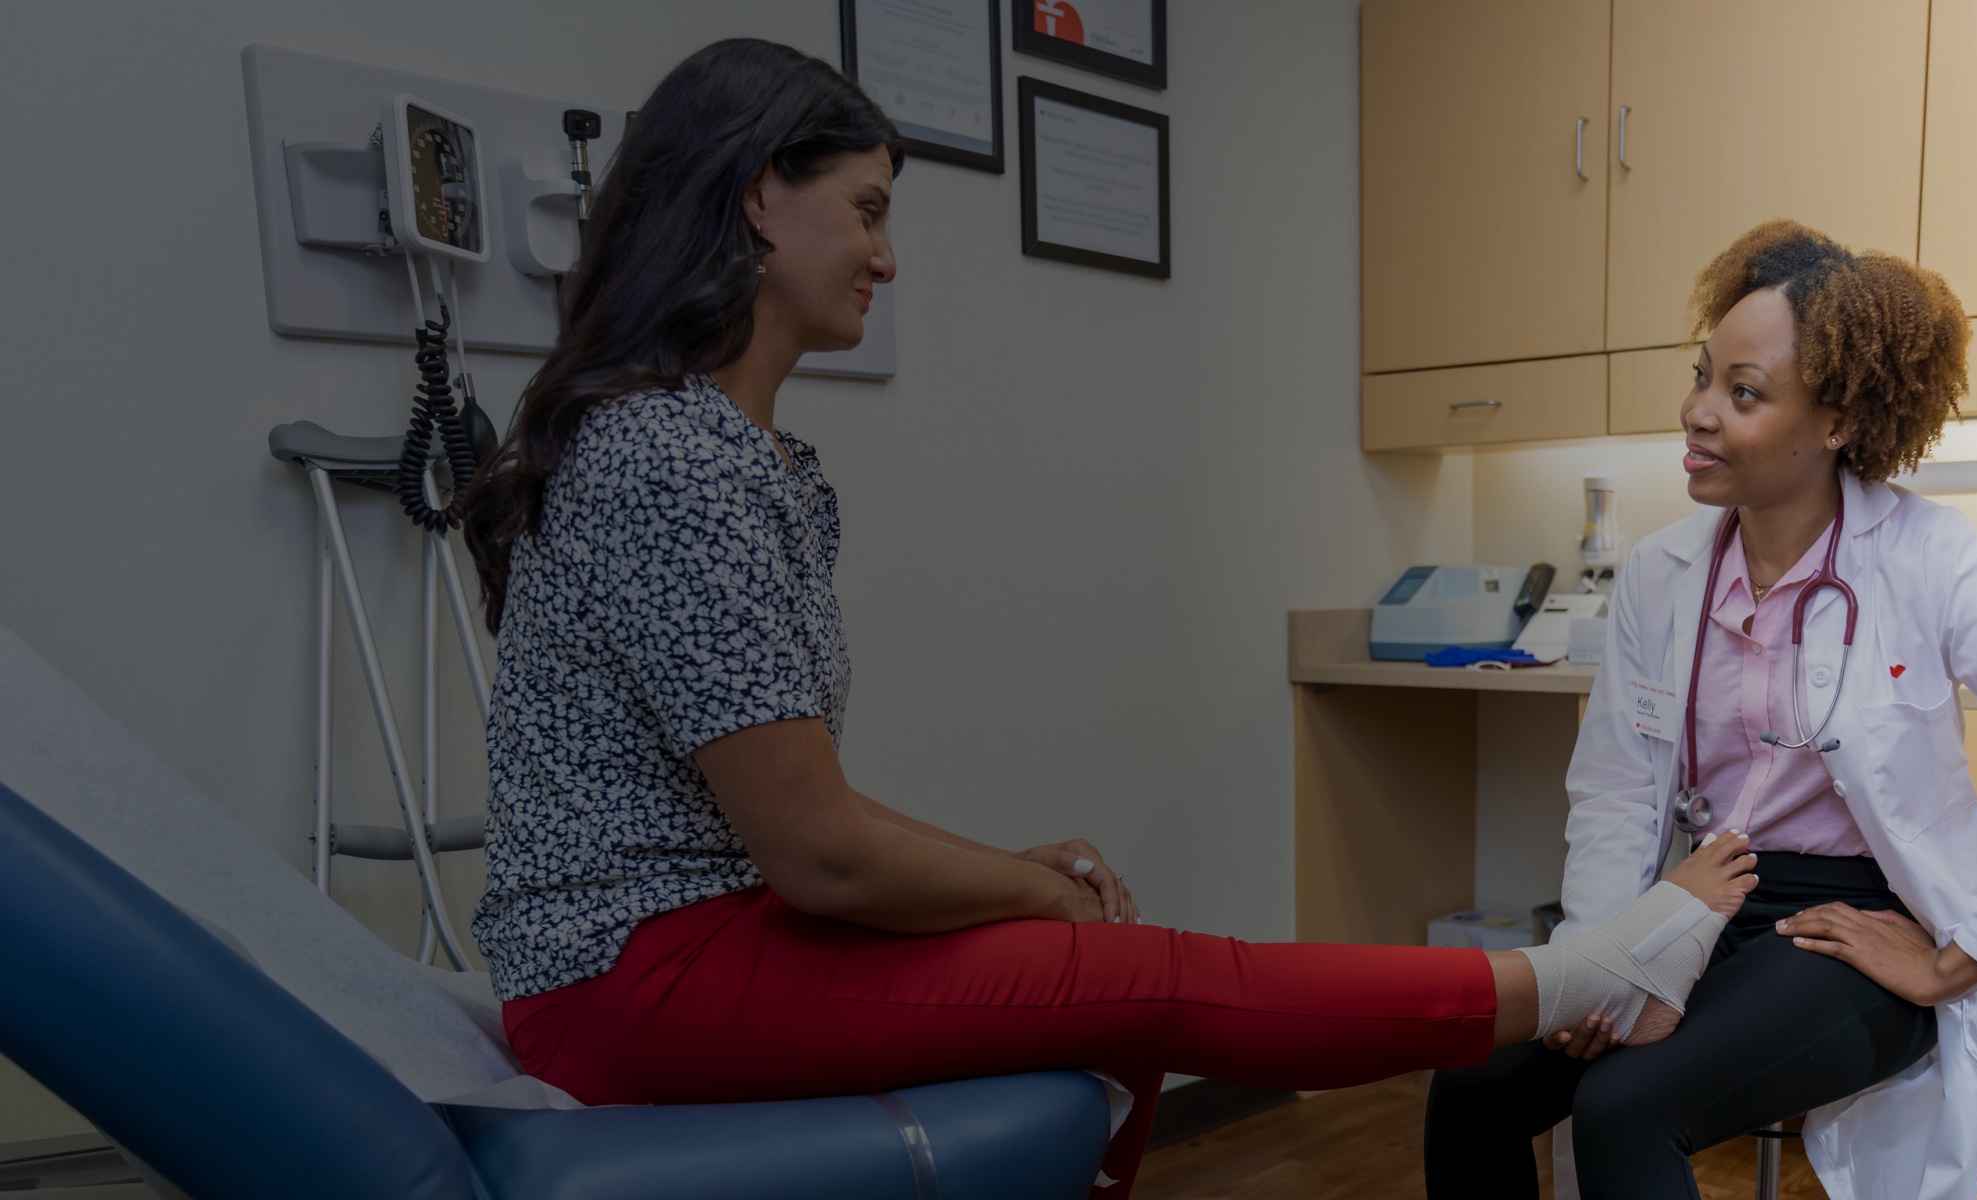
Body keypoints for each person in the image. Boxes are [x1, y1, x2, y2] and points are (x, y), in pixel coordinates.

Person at [457, 38, 1761, 1196]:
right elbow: (820, 855)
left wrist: (1016, 880)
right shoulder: (672, 459)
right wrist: (1025, 887)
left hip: (700, 942)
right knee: (1160, 974)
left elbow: (803, 825)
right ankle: (1577, 978)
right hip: (629, 983)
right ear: (757, 200)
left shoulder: (748, 463)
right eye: (864, 210)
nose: (886, 253)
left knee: (1116, 971)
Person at [1422, 220, 1977, 1200]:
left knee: (1625, 1107)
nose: (1697, 413)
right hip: (1692, 896)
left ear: (1836, 424)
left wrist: (1962, 960)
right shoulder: (1661, 572)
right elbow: (1615, 786)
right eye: (1703, 377)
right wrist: (1591, 957)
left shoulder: (1932, 561)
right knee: (1472, 1081)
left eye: (1743, 394)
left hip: (1848, 921)